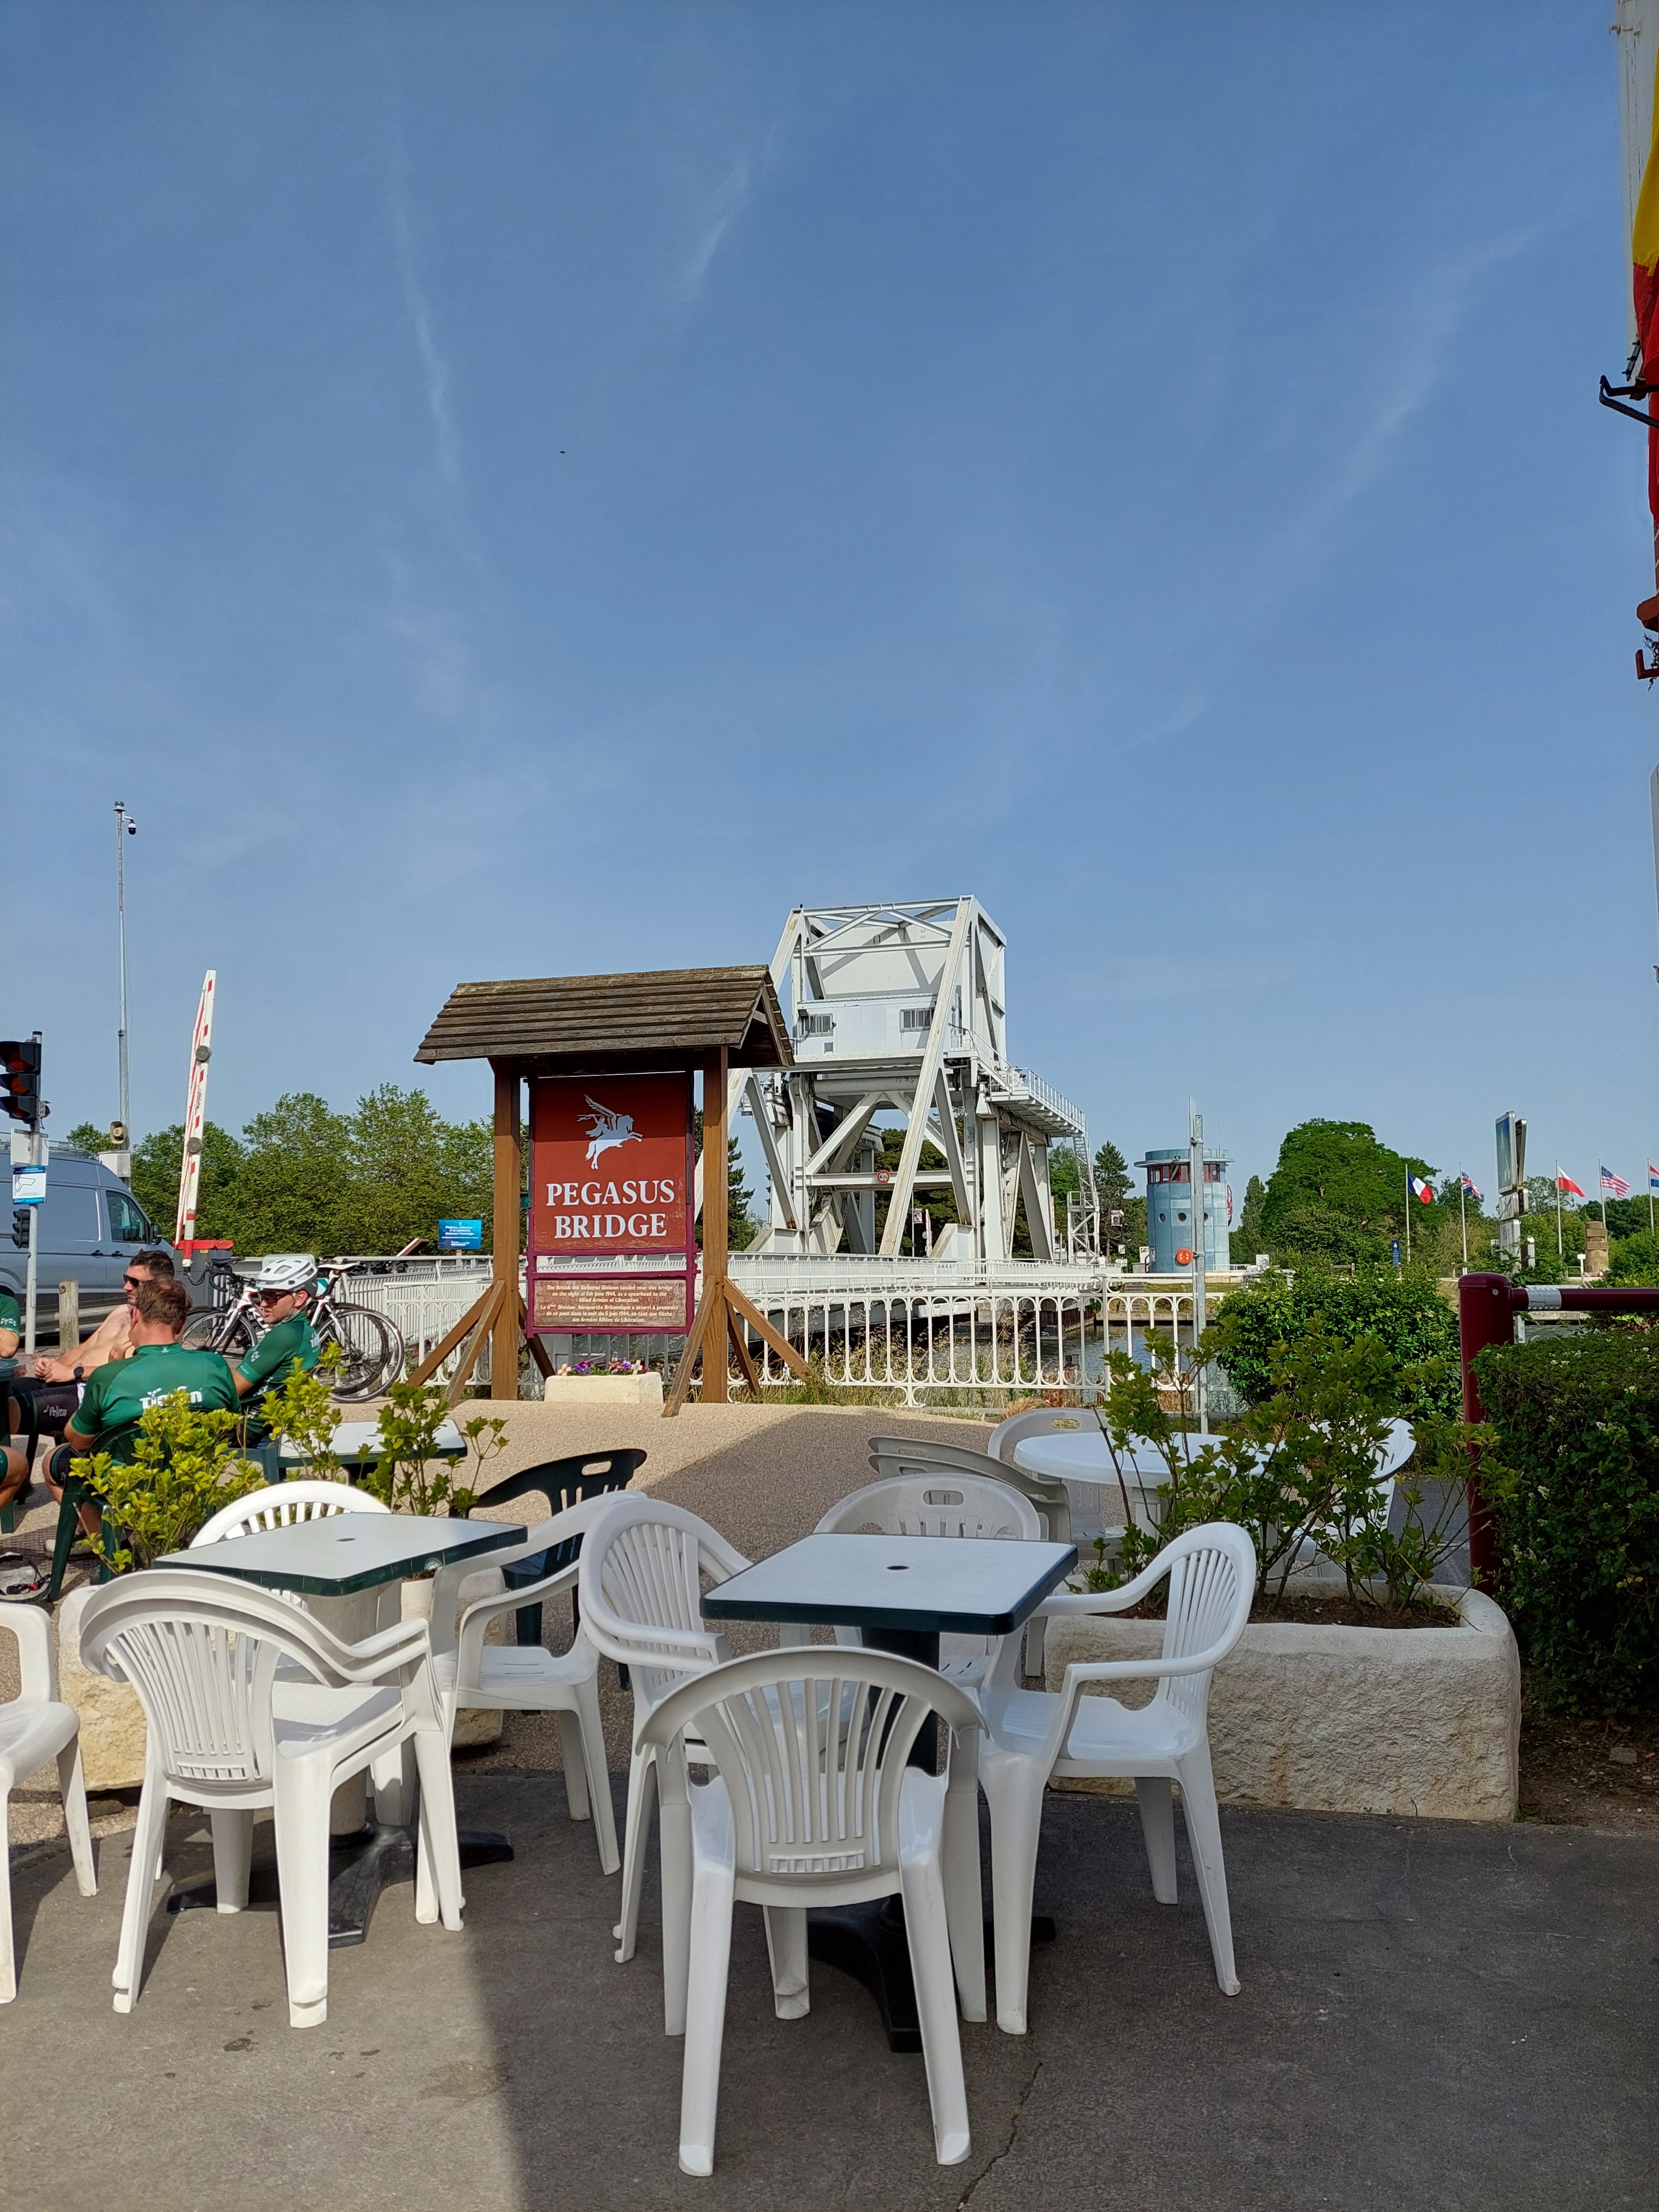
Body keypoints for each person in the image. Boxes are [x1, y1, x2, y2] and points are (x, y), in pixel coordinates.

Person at [52, 1278, 238, 1520]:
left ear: (136, 1316)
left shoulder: (109, 1376)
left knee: (52, 1463)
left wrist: (111, 1368)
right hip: (194, 1481)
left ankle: (113, 1540)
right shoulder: (216, 1365)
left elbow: (76, 1439)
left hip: (128, 1486)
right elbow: (232, 1425)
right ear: (182, 1323)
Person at [31, 1248, 178, 1384]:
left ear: (160, 1285)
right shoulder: (123, 1311)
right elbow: (83, 1349)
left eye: (135, 1282)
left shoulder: (162, 1324)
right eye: (126, 1279)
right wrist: (55, 1365)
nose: (126, 1287)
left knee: (23, 1401)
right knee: (19, 1389)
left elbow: (140, 1370)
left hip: (93, 1386)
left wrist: (75, 1372)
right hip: (70, 1379)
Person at [231, 1254, 321, 1440]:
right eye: (262, 1295)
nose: (263, 1303)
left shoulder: (285, 1335)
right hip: (267, 1423)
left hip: (246, 1427)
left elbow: (234, 1389)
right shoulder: (306, 1331)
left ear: (299, 1298)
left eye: (272, 1296)